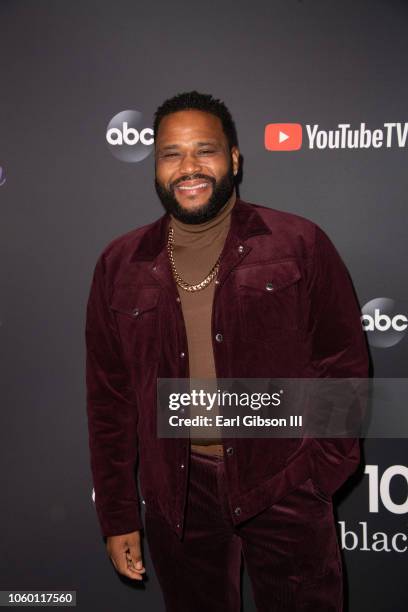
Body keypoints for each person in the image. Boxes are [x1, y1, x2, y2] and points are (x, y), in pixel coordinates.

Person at [85, 90, 369, 611]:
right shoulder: (119, 264)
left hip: (283, 482)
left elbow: (343, 363)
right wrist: (120, 514)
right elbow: (110, 399)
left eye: (205, 150)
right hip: (178, 497)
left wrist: (317, 471)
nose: (188, 167)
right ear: (155, 167)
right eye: (171, 154)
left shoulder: (298, 243)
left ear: (234, 158)